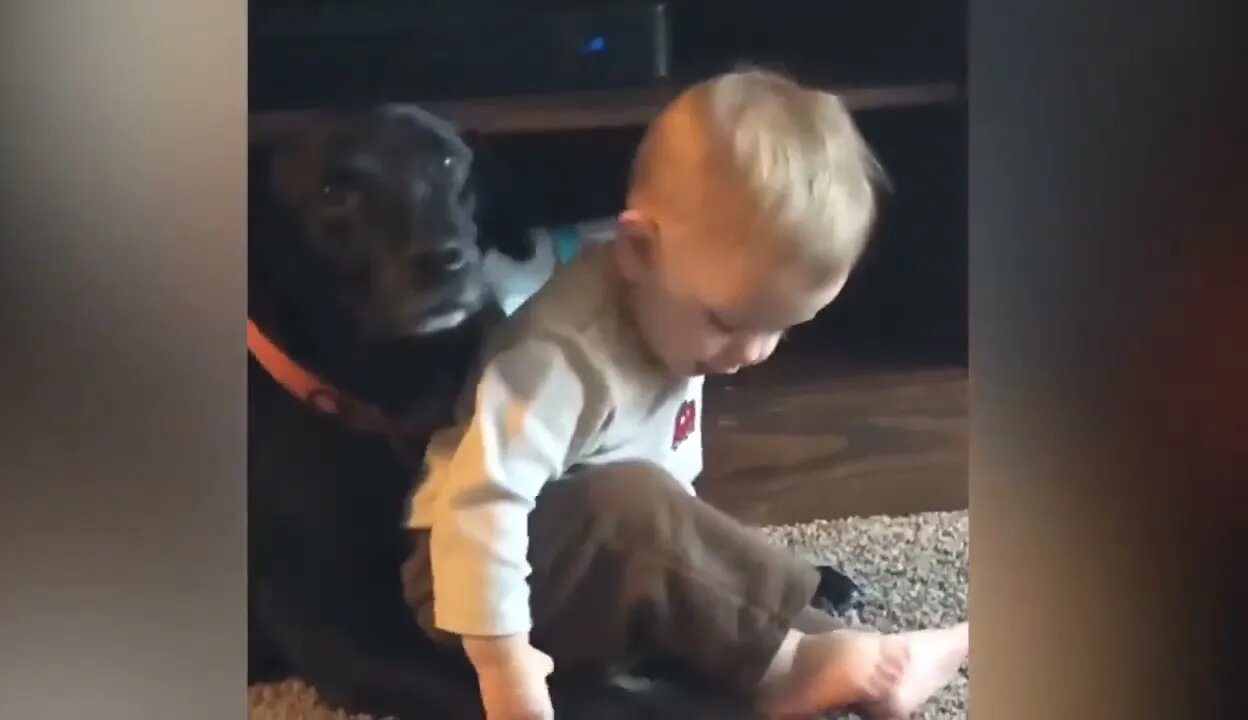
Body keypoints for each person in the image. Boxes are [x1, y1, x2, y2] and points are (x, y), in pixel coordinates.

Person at [401, 67, 970, 720]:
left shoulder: (678, 306)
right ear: (640, 249)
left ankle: (858, 655)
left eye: (781, 329)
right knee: (635, 505)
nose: (752, 353)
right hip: (466, 584)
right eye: (730, 322)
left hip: (591, 570)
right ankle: (795, 672)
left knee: (694, 554)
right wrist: (505, 668)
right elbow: (482, 509)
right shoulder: (559, 355)